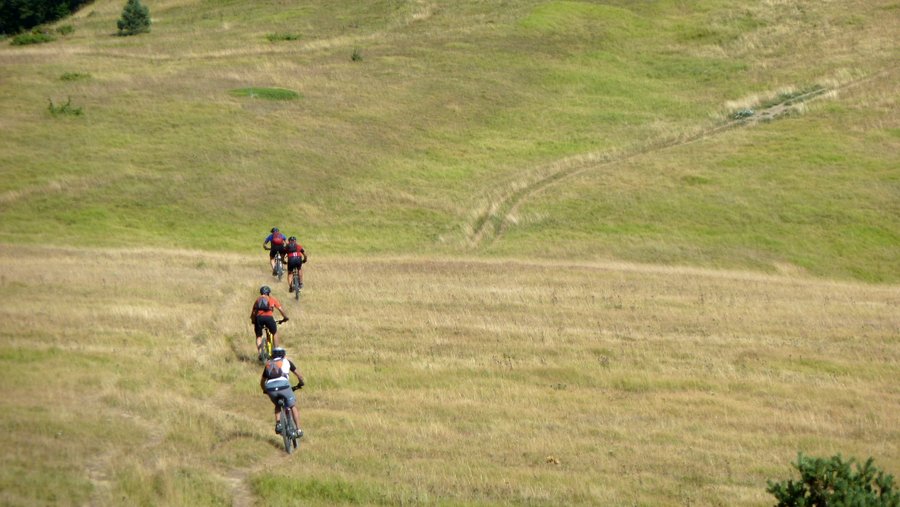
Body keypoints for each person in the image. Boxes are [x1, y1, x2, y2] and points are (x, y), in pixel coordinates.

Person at [260, 347, 304, 438]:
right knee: (292, 406)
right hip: (284, 386)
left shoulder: (268, 364)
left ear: (272, 355)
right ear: (283, 354)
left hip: (270, 388)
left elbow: (262, 381)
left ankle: (278, 424)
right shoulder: (287, 361)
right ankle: (298, 430)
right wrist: (301, 383)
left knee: (277, 405)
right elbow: (299, 375)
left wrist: (265, 390)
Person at [250, 285, 288, 360]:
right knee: (274, 332)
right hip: (268, 318)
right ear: (269, 293)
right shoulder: (272, 299)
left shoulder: (258, 299)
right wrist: (285, 318)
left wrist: (253, 320)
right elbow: (280, 309)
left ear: (261, 292)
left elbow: (253, 312)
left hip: (259, 318)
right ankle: (276, 351)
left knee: (258, 336)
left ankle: (260, 353)